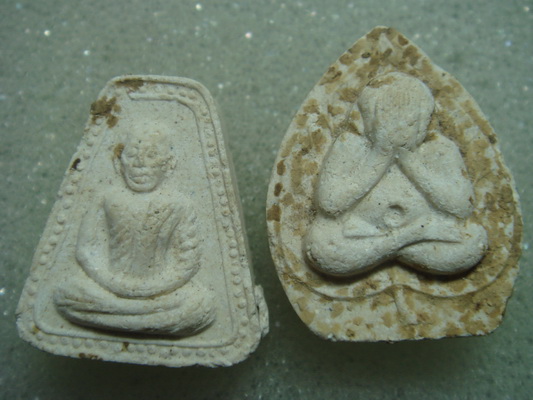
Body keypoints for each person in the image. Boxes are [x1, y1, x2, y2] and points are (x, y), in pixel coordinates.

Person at [304, 72, 488, 277]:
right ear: (369, 119)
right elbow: (330, 204)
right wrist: (380, 156)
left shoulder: (440, 149)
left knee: (474, 239)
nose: (399, 127)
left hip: (424, 235)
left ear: (424, 122)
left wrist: (410, 162)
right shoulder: (350, 145)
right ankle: (401, 241)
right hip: (366, 231)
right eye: (388, 118)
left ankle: (387, 248)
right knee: (321, 244)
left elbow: (462, 207)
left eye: (410, 120)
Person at [54, 127, 215, 336]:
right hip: (109, 289)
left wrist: (151, 289)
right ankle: (145, 320)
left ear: (169, 165)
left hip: (161, 293)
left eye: (152, 155)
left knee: (201, 304)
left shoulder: (179, 204)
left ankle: (122, 318)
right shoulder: (106, 198)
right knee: (66, 294)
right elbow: (86, 250)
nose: (140, 164)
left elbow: (187, 262)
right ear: (118, 162)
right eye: (131, 155)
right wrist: (113, 284)